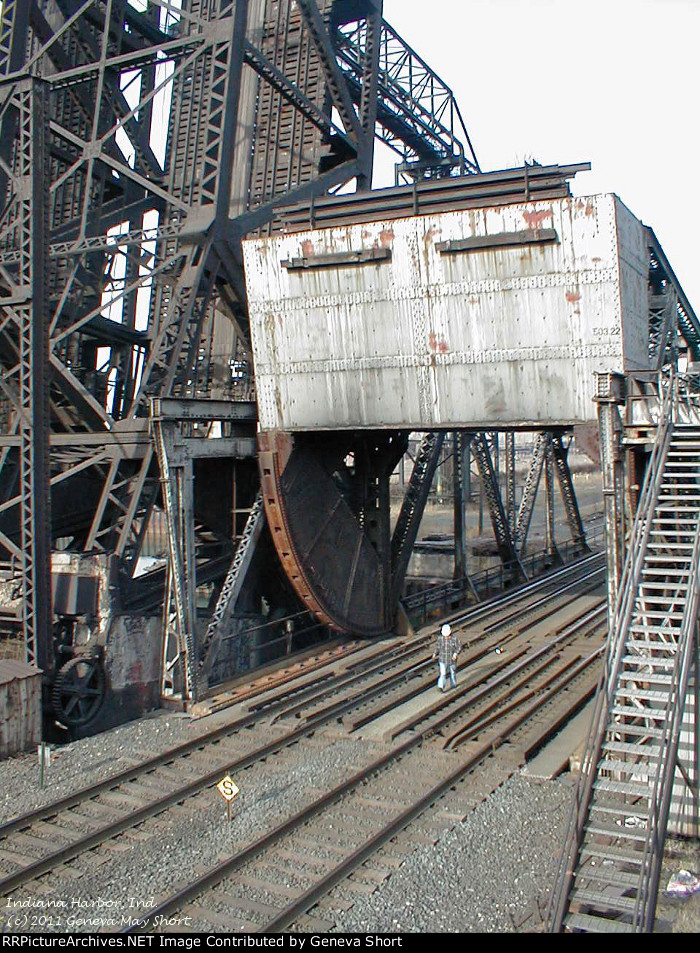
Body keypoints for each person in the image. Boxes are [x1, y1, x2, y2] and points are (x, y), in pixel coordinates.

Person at [432, 622, 461, 692]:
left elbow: (459, 647)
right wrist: (434, 654)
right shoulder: (440, 639)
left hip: (452, 660)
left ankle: (453, 685)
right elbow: (437, 647)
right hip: (442, 659)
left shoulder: (455, 639)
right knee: (443, 673)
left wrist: (455, 654)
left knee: (452, 673)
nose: (446, 637)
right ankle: (441, 686)